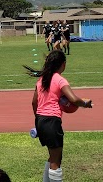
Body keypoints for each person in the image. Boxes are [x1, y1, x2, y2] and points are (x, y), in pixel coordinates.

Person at [25, 50, 92, 182]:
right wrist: (85, 103)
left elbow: (34, 102)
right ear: (63, 64)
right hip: (52, 122)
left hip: (40, 120)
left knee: (52, 156)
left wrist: (38, 120)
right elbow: (73, 99)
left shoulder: (42, 79)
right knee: (56, 161)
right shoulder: (59, 80)